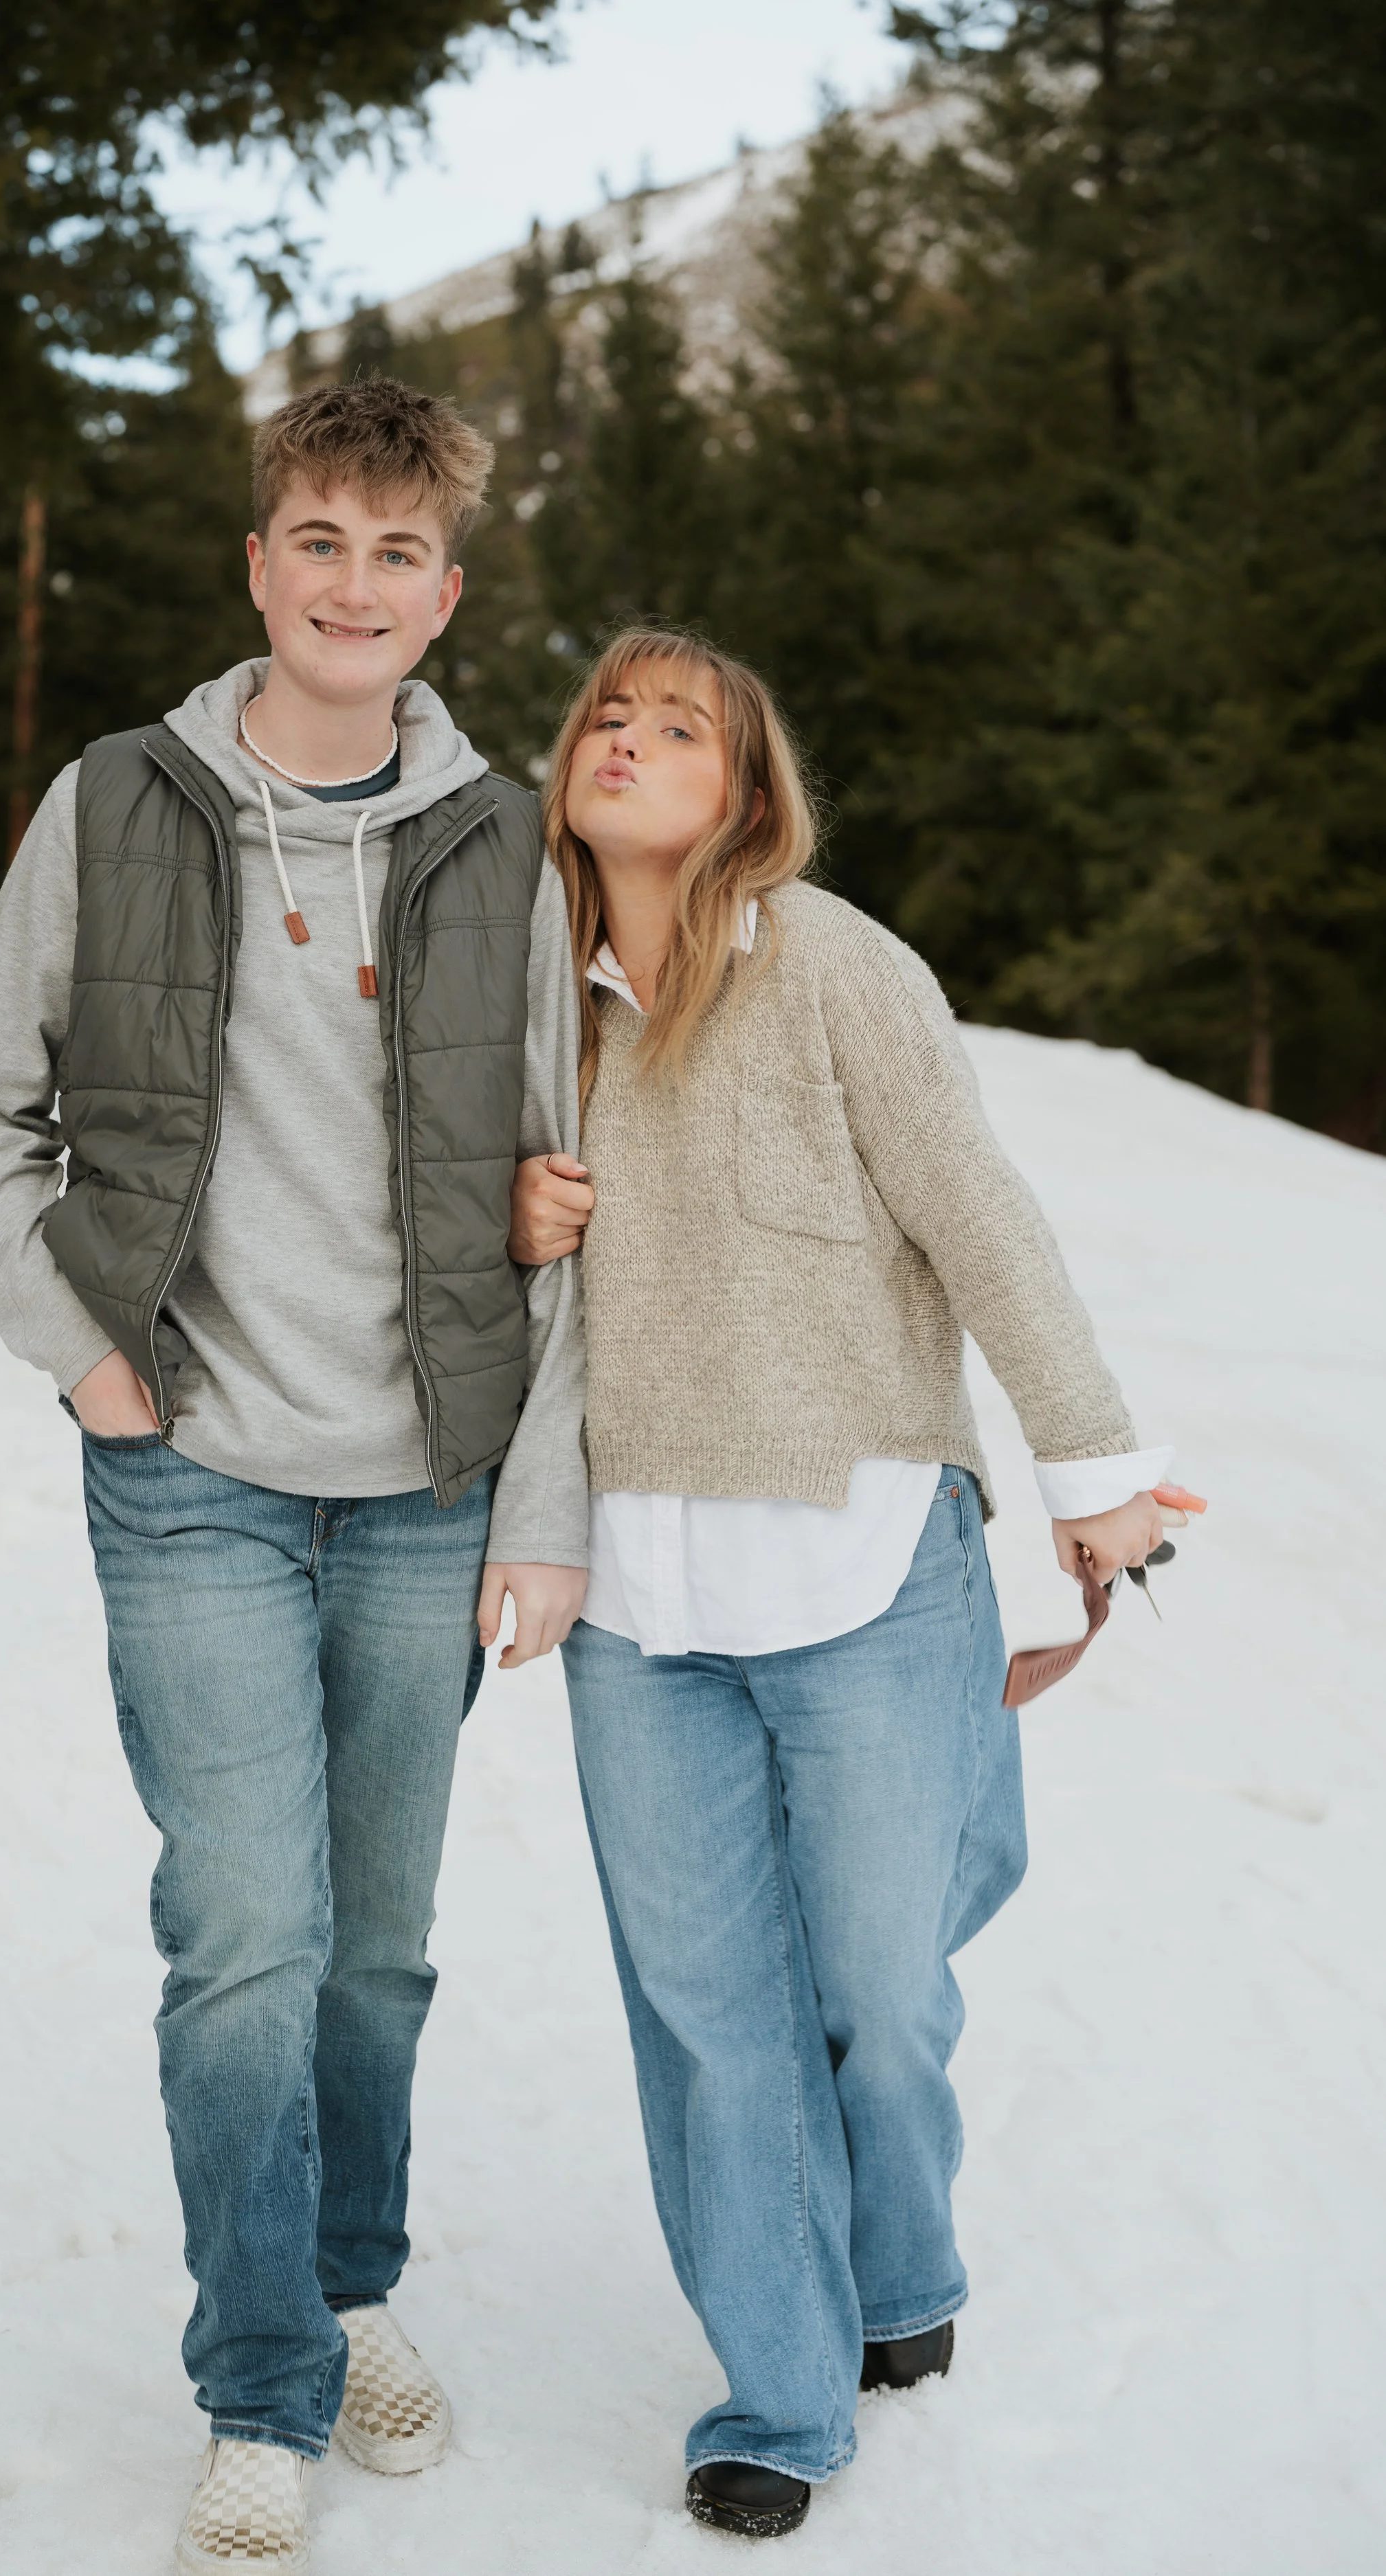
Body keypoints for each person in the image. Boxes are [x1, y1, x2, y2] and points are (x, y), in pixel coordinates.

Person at [0, 379, 588, 2574]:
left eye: (397, 555)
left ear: (445, 594)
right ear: (258, 566)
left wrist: (545, 1488)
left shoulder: (504, 840)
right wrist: (88, 1357)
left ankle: (353, 2276)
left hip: (426, 1480)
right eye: (319, 538)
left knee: (376, 1950)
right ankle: (257, 2381)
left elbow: (558, 1184)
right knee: (244, 1935)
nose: (353, 584)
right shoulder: (115, 800)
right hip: (190, 1463)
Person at [508, 628, 1172, 2540]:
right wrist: (503, 1213)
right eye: (602, 717)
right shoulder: (524, 1000)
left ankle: (902, 2259)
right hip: (637, 1604)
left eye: (674, 724)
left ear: (745, 786)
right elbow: (468, 1280)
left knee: (878, 1985)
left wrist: (1092, 1472)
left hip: (870, 1563)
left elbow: (979, 1215)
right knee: (715, 2015)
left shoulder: (837, 966)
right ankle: (779, 2395)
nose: (624, 739)